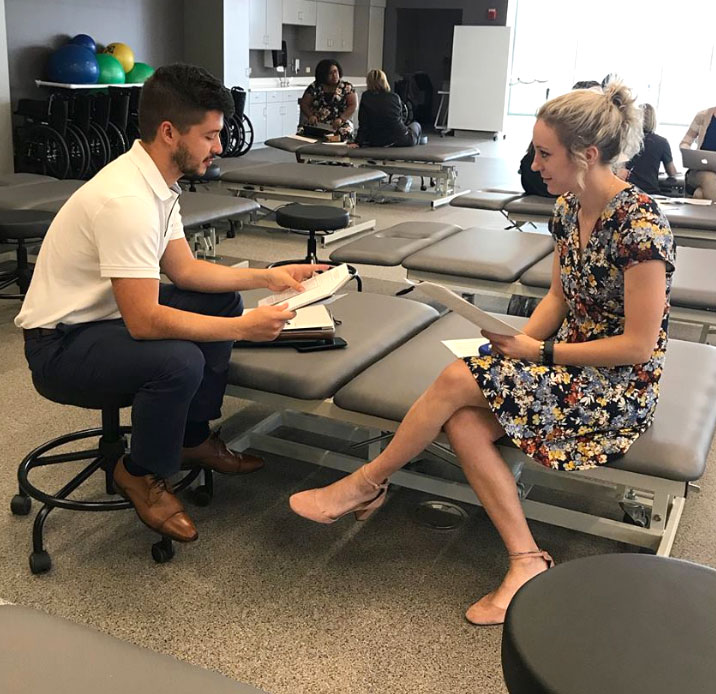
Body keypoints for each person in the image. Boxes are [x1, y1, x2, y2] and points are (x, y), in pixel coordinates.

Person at [290, 82, 675, 626]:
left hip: (616, 389)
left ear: (587, 155)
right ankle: (525, 560)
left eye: (545, 153)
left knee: (455, 379)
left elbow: (638, 345)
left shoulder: (640, 226)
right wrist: (509, 341)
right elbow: (559, 297)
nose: (534, 163)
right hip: (566, 362)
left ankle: (366, 482)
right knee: (466, 423)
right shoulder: (568, 210)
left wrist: (538, 352)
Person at [16, 64, 326, 544]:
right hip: (59, 345)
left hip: (106, 319)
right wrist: (245, 328)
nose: (219, 147)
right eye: (210, 136)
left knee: (217, 297)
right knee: (177, 360)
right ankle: (139, 471)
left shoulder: (158, 183)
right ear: (168, 132)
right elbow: (144, 322)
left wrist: (268, 276)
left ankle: (191, 438)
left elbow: (185, 272)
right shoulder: (127, 200)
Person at [519, 80, 601, 197]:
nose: (534, 166)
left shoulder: (633, 212)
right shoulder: (567, 202)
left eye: (544, 154)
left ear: (587, 156)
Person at [619, 104, 677, 195]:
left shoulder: (626, 140)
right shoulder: (662, 142)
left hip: (628, 191)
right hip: (651, 192)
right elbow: (671, 172)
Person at [355, 69, 421, 148]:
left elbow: (363, 123)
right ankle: (416, 141)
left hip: (377, 141)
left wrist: (358, 142)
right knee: (416, 125)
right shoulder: (394, 97)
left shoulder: (366, 97)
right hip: (400, 138)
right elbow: (400, 117)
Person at [298, 59, 356, 141]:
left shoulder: (346, 87)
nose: (334, 75)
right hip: (318, 123)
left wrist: (341, 118)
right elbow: (304, 104)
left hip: (339, 123)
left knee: (344, 133)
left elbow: (352, 105)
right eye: (330, 73)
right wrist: (310, 116)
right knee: (302, 131)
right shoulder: (315, 87)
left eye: (336, 72)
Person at [680, 104, 716, 199]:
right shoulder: (703, 115)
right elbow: (685, 143)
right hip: (698, 172)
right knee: (709, 179)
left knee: (699, 194)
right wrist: (690, 154)